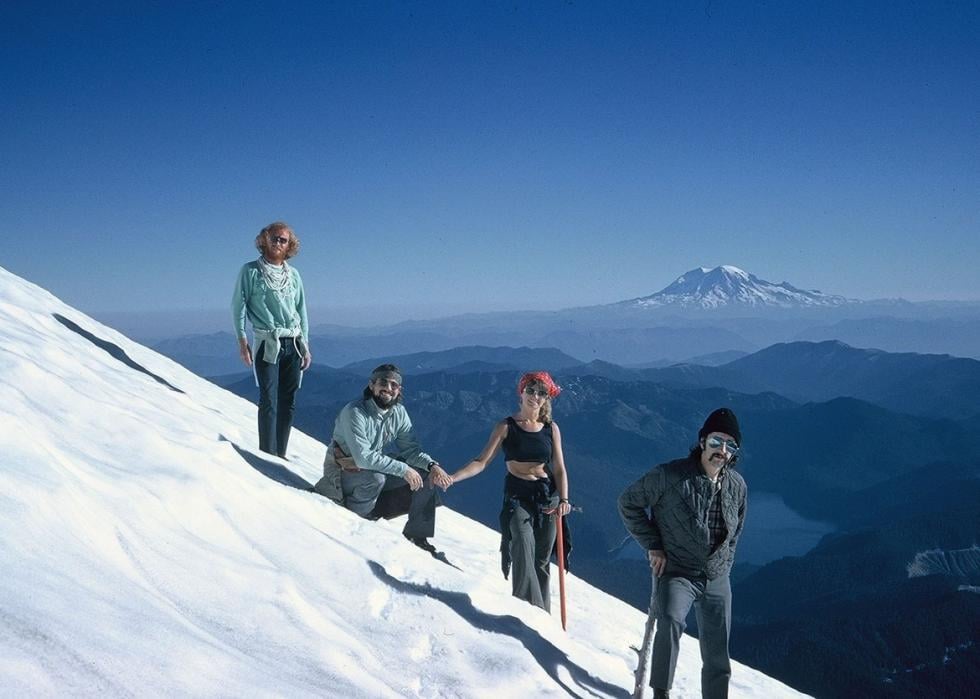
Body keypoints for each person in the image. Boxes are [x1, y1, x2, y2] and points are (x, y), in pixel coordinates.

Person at [618, 408, 748, 699]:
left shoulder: (737, 486)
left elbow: (737, 528)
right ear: (702, 441)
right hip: (679, 571)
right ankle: (661, 694)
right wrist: (653, 544)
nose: (722, 450)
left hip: (717, 577)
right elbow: (628, 503)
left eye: (730, 445)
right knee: (671, 621)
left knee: (717, 652)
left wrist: (725, 563)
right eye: (716, 441)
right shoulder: (670, 475)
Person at [444, 371, 571, 611]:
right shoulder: (506, 426)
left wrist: (564, 499)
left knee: (541, 560)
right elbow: (482, 461)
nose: (535, 396)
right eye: (531, 390)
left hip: (547, 496)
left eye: (541, 393)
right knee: (522, 546)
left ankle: (543, 615)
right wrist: (454, 477)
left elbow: (559, 468)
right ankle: (528, 611)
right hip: (518, 497)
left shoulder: (551, 428)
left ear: (547, 399)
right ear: (521, 393)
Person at [314, 364, 450, 551]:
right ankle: (357, 519)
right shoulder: (354, 412)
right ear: (372, 385)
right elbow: (363, 458)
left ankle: (417, 536)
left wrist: (432, 465)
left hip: (369, 473)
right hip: (341, 472)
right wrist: (403, 469)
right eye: (383, 383)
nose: (388, 388)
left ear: (399, 390)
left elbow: (411, 450)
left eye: (394, 385)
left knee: (426, 475)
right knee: (376, 478)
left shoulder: (398, 413)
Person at [232, 221, 312, 458]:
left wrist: (305, 346)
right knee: (269, 399)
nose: (278, 243)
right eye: (274, 238)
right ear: (264, 239)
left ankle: (281, 454)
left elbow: (302, 310)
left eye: (283, 240)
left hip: (294, 343)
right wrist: (241, 340)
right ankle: (267, 455)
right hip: (267, 342)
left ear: (289, 245)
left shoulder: (294, 275)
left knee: (288, 401)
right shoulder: (250, 271)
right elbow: (238, 307)